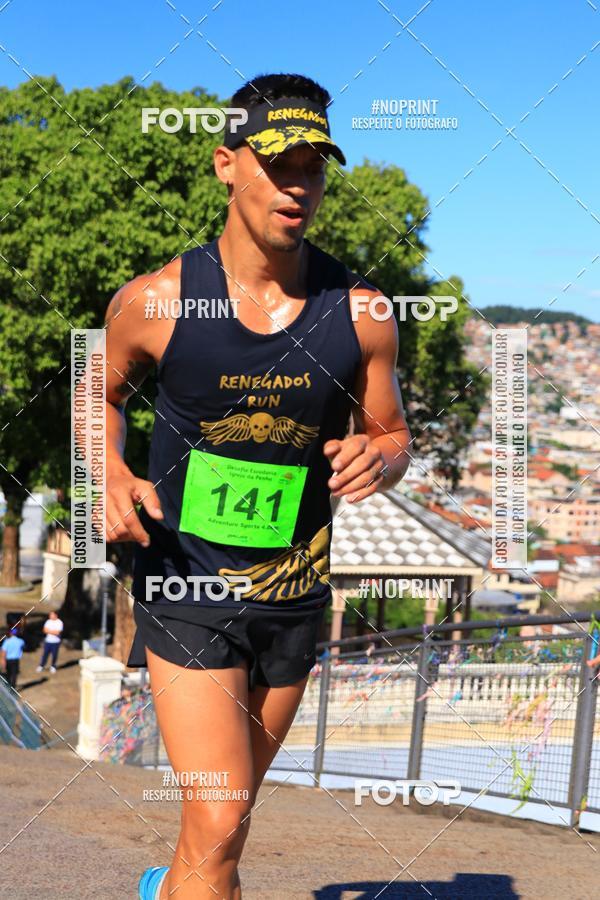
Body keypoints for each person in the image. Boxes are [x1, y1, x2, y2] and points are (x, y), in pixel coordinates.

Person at [104, 73, 412, 900]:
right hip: (186, 581)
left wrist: (381, 458)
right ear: (226, 165)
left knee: (220, 833)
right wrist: (107, 471)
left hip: (292, 592)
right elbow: (92, 393)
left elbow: (392, 433)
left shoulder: (362, 312)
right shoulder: (156, 301)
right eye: (279, 162)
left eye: (313, 166)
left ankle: (166, 888)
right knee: (217, 816)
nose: (297, 184)